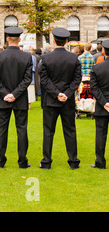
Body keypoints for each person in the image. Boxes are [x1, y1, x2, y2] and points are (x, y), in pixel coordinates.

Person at [38, 28, 82, 170]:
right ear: (67, 41)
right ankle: (73, 161)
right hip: (65, 100)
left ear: (54, 40)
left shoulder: (46, 58)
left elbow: (44, 80)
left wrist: (58, 94)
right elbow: (77, 79)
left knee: (48, 131)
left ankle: (46, 161)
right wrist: (65, 93)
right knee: (70, 130)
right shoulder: (73, 58)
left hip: (52, 100)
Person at [0, 26, 33, 169]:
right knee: (21, 129)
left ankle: (0, 161)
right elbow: (27, 79)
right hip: (19, 98)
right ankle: (22, 161)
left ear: (7, 39)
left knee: (2, 129)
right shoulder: (26, 57)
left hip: (6, 98)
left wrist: (6, 94)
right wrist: (13, 94)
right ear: (19, 39)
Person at [90, 39, 109, 169]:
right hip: (104, 104)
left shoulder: (97, 68)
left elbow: (94, 88)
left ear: (103, 51)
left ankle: (100, 162)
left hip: (102, 105)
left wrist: (104, 103)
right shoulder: (96, 67)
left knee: (100, 135)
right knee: (100, 135)